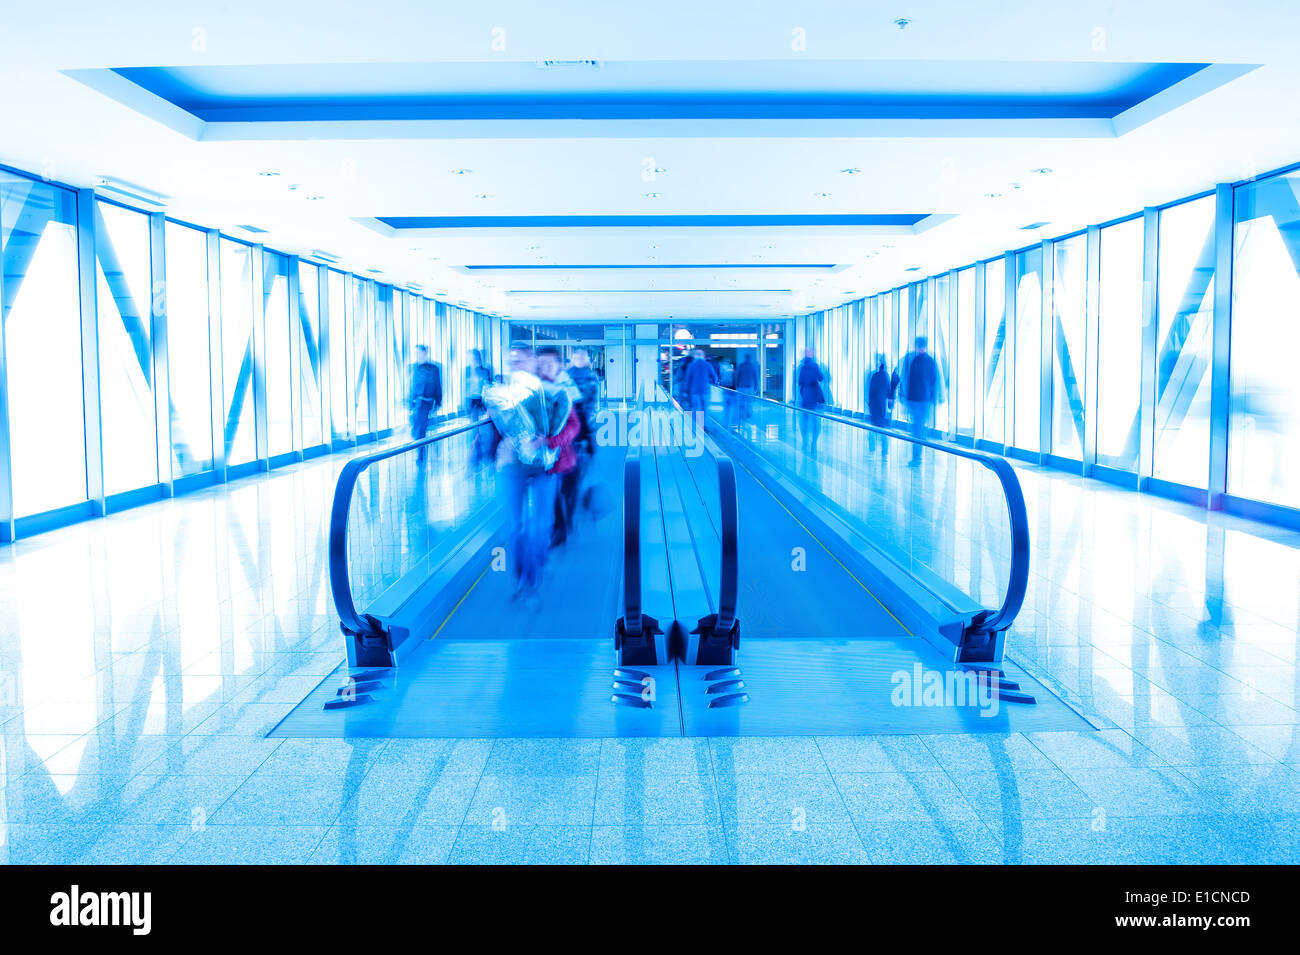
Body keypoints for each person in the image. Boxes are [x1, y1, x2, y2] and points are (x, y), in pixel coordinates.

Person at [487, 342, 572, 598]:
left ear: (533, 362)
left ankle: (534, 574)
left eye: (521, 359)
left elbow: (567, 425)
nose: (516, 364)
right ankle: (522, 577)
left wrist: (545, 440)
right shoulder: (500, 394)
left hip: (544, 467)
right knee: (515, 526)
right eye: (512, 360)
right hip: (511, 466)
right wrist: (497, 449)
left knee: (539, 525)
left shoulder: (550, 393)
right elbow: (495, 429)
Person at [536, 347, 584, 546]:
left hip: (561, 455)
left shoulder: (562, 390)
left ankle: (561, 527)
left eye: (551, 363)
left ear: (559, 366)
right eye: (542, 363)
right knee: (553, 497)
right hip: (535, 459)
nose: (546, 367)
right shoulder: (531, 388)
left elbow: (576, 423)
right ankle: (558, 527)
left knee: (563, 493)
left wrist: (550, 442)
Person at [899, 335, 940, 466]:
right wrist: (933, 397)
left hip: (916, 399)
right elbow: (934, 380)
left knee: (917, 426)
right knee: (919, 426)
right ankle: (918, 452)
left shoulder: (912, 360)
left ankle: (917, 456)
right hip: (925, 399)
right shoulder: (930, 360)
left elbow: (907, 379)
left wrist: (905, 396)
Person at [409, 345, 443, 463]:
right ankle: (421, 447)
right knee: (417, 428)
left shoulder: (434, 368)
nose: (417, 356)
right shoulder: (413, 368)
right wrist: (409, 402)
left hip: (426, 402)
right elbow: (411, 386)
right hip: (417, 401)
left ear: (425, 353)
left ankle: (421, 452)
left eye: (419, 353)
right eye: (416, 353)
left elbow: (438, 385)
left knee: (421, 428)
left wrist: (438, 401)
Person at [465, 348, 493, 465]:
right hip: (472, 400)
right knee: (474, 424)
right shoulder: (466, 370)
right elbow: (465, 387)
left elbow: (488, 385)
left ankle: (485, 444)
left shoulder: (485, 370)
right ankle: (476, 444)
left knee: (486, 424)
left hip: (482, 399)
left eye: (472, 357)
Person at [796, 347, 825, 454]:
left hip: (805, 397)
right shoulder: (815, 366)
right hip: (814, 398)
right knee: (816, 422)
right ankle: (814, 443)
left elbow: (799, 382)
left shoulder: (802, 367)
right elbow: (821, 378)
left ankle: (805, 441)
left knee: (804, 421)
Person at [867, 355, 893, 455]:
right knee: (882, 426)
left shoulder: (874, 376)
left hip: (874, 403)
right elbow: (888, 390)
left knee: (873, 424)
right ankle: (884, 450)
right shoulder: (886, 376)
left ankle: (872, 448)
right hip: (882, 403)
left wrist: (869, 403)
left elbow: (871, 390)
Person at [682, 348, 717, 413]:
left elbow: (687, 379)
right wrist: (713, 382)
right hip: (705, 390)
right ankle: (703, 422)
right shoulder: (707, 364)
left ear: (695, 356)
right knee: (705, 409)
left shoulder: (691, 365)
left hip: (695, 390)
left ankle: (696, 422)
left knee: (696, 408)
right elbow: (715, 377)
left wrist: (685, 390)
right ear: (703, 356)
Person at [735, 352, 760, 429]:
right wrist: (756, 387)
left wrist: (736, 385)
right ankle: (748, 414)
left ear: (745, 358)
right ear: (750, 358)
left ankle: (742, 414)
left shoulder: (741, 366)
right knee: (749, 401)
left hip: (741, 386)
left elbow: (737, 376)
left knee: (742, 401)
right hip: (750, 387)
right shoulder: (753, 366)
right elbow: (756, 377)